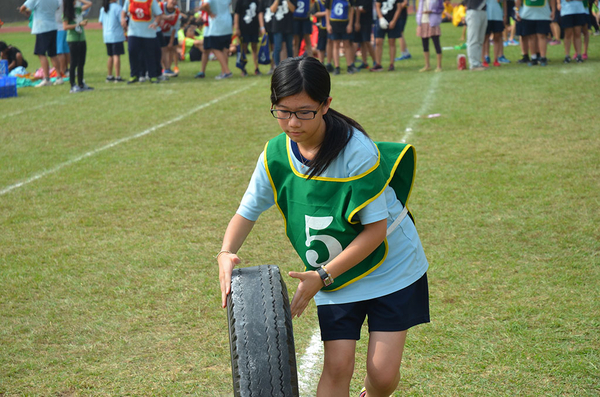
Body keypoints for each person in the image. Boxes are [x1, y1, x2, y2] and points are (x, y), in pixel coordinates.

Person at [217, 56, 430, 397]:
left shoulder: (357, 152)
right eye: (282, 111)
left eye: (304, 111)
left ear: (326, 105)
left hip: (390, 266)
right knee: (337, 365)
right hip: (334, 272)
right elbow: (247, 211)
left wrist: (322, 276)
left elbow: (374, 232)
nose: (292, 123)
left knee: (383, 376)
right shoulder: (275, 155)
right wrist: (226, 252)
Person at [19, 0, 62, 87]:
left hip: (42, 28)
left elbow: (22, 8)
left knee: (41, 53)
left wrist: (26, 11)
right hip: (53, 26)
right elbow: (57, 7)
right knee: (53, 54)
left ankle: (46, 79)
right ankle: (59, 77)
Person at [121, 0, 163, 83]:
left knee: (150, 54)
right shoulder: (129, 1)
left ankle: (152, 75)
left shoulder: (151, 1)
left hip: (148, 33)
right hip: (133, 32)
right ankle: (134, 75)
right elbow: (124, 11)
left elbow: (159, 14)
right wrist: (122, 19)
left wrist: (155, 23)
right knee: (132, 51)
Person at [196, 0, 234, 79]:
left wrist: (209, 13)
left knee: (215, 48)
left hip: (216, 24)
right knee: (225, 49)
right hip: (227, 23)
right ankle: (224, 72)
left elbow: (205, 5)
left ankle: (226, 71)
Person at [63, 0, 93, 93]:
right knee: (73, 63)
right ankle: (73, 85)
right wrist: (78, 24)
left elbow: (89, 4)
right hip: (73, 40)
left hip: (81, 38)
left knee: (81, 62)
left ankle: (81, 83)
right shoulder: (67, 12)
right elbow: (65, 26)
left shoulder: (78, 9)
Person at [514, 0, 555, 66]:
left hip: (543, 14)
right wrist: (516, 11)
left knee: (542, 36)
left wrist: (553, 10)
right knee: (531, 37)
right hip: (527, 14)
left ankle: (543, 57)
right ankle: (534, 58)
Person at [327, 0, 359, 74]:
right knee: (336, 44)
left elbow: (351, 10)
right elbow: (327, 10)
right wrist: (328, 24)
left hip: (345, 22)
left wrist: (350, 24)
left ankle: (349, 66)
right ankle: (337, 67)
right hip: (334, 22)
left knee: (347, 44)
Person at [99, 0, 127, 82]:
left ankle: (109, 75)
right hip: (116, 35)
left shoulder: (103, 8)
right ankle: (117, 76)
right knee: (116, 55)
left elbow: (101, 22)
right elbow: (122, 21)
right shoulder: (117, 8)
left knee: (110, 55)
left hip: (107, 35)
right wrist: (125, 29)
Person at [371, 0, 403, 71]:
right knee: (378, 42)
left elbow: (399, 8)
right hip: (381, 19)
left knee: (391, 41)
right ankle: (378, 64)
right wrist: (381, 18)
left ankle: (391, 64)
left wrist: (394, 21)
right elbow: (377, 6)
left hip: (392, 18)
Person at [234, 0, 262, 76]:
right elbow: (237, 14)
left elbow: (258, 13)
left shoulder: (256, 1)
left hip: (254, 27)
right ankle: (243, 69)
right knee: (244, 48)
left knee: (254, 48)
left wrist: (260, 27)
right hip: (243, 28)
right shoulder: (240, 1)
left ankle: (256, 68)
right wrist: (236, 27)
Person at [416, 0, 444, 72]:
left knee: (436, 44)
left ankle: (439, 66)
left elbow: (441, 8)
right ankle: (427, 65)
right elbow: (419, 9)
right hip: (423, 22)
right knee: (425, 45)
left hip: (433, 23)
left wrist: (432, 11)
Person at [465, 0, 488, 70]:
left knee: (480, 40)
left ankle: (478, 62)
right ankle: (474, 64)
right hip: (473, 10)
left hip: (483, 10)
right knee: (473, 39)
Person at [160, 0, 181, 76]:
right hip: (161, 32)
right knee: (163, 50)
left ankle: (168, 68)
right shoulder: (161, 6)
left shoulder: (176, 12)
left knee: (172, 49)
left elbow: (175, 27)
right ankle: (163, 68)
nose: (174, 2)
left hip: (171, 33)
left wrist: (171, 41)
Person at [353, 0, 376, 69]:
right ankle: (364, 62)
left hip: (366, 22)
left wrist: (353, 10)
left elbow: (364, 9)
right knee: (361, 42)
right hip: (357, 21)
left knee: (367, 41)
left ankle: (375, 61)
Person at [482, 0, 506, 67]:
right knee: (485, 37)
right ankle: (484, 59)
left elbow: (503, 2)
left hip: (497, 14)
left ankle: (496, 59)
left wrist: (504, 14)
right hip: (487, 14)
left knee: (497, 36)